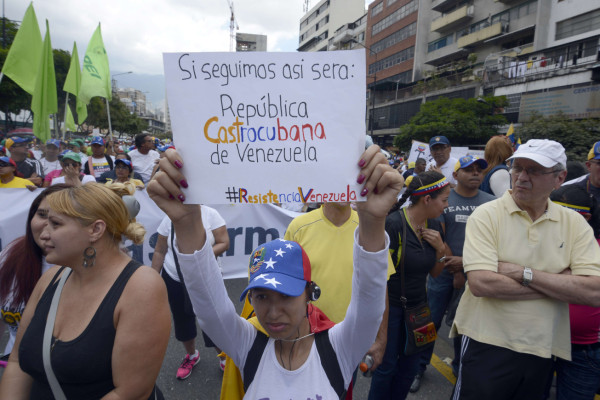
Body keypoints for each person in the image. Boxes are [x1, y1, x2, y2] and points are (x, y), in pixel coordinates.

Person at [147, 145, 402, 398]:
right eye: (261, 297)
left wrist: (372, 222)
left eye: (287, 296)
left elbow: (369, 304)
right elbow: (208, 307)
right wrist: (187, 223)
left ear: (309, 293)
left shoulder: (339, 347)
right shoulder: (247, 345)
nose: (273, 312)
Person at [450, 139, 600, 400]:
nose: (521, 177)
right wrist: (561, 285)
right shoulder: (487, 215)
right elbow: (482, 284)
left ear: (559, 177)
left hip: (543, 347)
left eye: (534, 170)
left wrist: (523, 273)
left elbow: (594, 292)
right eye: (517, 168)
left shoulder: (574, 223)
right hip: (486, 342)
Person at [0, 183, 171, 399]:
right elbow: (16, 362)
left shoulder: (142, 287)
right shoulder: (51, 279)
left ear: (95, 230)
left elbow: (130, 392)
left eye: (55, 224)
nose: (43, 233)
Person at [411, 156, 495, 393]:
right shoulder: (444, 200)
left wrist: (466, 266)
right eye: (468, 170)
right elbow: (439, 236)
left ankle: (460, 367)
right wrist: (454, 266)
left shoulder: (492, 203)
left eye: (480, 170)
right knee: (430, 322)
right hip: (443, 273)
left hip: (477, 275)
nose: (476, 174)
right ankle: (418, 367)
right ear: (456, 175)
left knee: (466, 325)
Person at [368, 171, 449, 400]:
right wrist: (380, 333)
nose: (446, 206)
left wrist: (441, 250)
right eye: (444, 200)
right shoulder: (394, 225)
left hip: (421, 310)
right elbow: (379, 279)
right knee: (386, 368)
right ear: (427, 199)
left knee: (410, 369)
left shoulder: (433, 224)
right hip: (392, 309)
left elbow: (434, 272)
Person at [151, 205, 230, 379]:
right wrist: (152, 278)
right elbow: (160, 250)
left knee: (212, 319)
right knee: (182, 319)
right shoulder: (169, 218)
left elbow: (224, 242)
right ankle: (192, 355)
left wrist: (196, 257)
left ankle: (224, 357)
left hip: (205, 277)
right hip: (174, 278)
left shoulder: (211, 214)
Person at [0, 184, 70, 361]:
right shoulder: (10, 255)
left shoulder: (92, 269)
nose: (47, 227)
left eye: (61, 219)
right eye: (42, 215)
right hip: (14, 364)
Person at [548, 184, 600, 400]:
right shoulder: (541, 241)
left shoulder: (596, 247)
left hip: (583, 348)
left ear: (586, 218)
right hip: (541, 339)